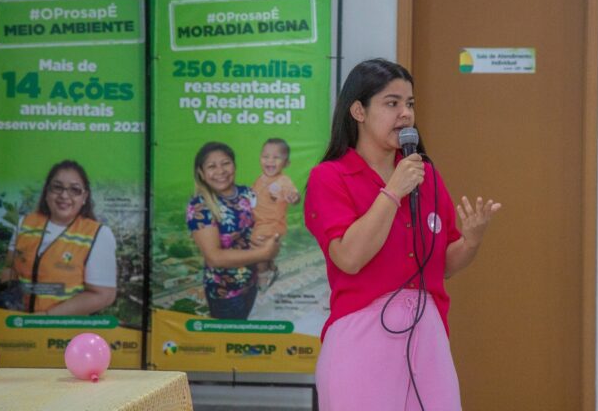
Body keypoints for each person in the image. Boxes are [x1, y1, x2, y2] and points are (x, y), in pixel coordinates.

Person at [304, 59, 501, 410]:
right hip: (362, 337)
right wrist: (393, 192)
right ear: (358, 111)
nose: (405, 114)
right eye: (391, 103)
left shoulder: (425, 175)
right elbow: (349, 258)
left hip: (428, 336)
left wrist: (471, 240)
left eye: (409, 104)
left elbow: (442, 266)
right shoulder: (329, 177)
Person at [0, 160, 117, 315]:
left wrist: (47, 317)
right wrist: (11, 303)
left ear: (84, 197)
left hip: (64, 329)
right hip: (18, 322)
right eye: (57, 187)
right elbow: (9, 268)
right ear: (47, 192)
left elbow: (104, 295)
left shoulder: (99, 234)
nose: (64, 195)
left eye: (74, 190)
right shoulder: (24, 223)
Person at [187, 141, 281, 319]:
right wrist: (264, 253)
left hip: (250, 284)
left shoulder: (248, 193)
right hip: (225, 294)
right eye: (212, 166)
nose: (220, 171)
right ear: (201, 173)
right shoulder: (200, 206)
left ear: (234, 165)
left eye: (225, 163)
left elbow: (267, 223)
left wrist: (269, 247)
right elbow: (214, 258)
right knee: (228, 343)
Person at [252, 138, 300, 291]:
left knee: (257, 247)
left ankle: (262, 279)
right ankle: (271, 267)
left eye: (276, 157)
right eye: (265, 156)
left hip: (272, 225)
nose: (270, 161)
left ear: (286, 163)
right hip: (259, 223)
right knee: (265, 249)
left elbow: (294, 196)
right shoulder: (261, 178)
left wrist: (294, 197)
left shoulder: (283, 181)